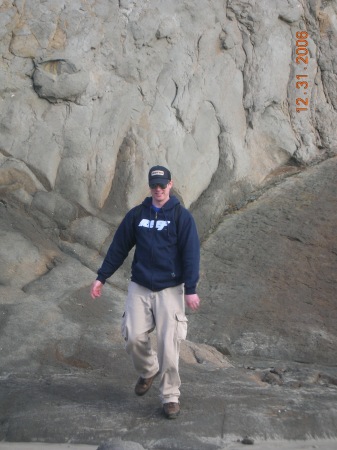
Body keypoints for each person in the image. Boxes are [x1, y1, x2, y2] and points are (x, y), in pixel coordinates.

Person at [90, 165, 201, 419]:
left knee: (168, 346)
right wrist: (101, 277)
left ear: (170, 185)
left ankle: (170, 396)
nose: (159, 190)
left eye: (163, 185)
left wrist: (191, 289)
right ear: (150, 187)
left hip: (170, 289)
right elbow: (119, 247)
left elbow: (191, 254)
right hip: (140, 285)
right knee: (131, 334)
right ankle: (148, 369)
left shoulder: (182, 217)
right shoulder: (137, 215)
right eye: (155, 186)